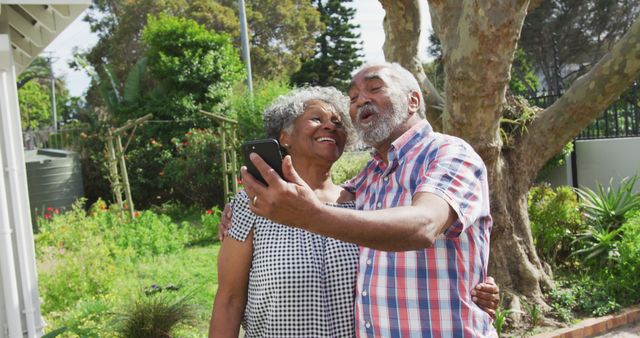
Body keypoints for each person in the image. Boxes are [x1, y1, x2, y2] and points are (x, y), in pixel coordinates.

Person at [210, 86, 499, 337]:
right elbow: (230, 299)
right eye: (316, 118)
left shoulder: (367, 200)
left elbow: (416, 254)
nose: (330, 126)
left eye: (338, 122)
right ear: (284, 136)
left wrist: (477, 288)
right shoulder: (255, 204)